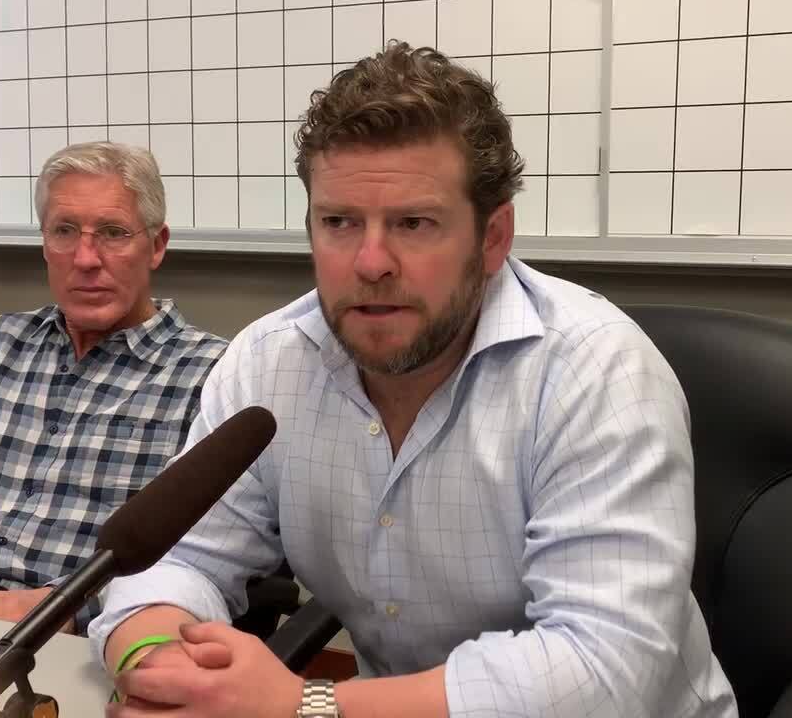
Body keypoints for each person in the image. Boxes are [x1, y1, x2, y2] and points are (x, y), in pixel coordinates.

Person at [92, 43, 738, 717]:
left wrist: (309, 705)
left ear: (493, 238)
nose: (372, 262)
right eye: (340, 222)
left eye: (414, 223)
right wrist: (157, 667)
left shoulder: (594, 372)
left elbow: (600, 671)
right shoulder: (266, 365)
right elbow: (181, 561)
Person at [0, 142, 228, 635]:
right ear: (43, 242)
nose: (86, 258)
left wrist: (64, 606)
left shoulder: (209, 377)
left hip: (63, 635)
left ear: (156, 245)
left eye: (114, 233)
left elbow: (200, 566)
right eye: (64, 231)